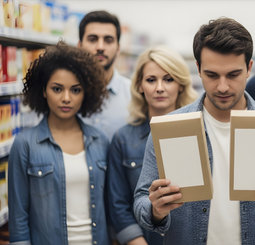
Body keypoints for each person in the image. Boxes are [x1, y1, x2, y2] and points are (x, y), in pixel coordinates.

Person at [133, 17, 255, 245]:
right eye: (212, 75)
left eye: (233, 75)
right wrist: (156, 210)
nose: (222, 87)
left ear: (249, 68)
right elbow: (140, 202)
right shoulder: (169, 128)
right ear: (197, 69)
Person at [8, 42, 110, 244]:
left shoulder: (100, 141)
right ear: (43, 91)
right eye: (57, 89)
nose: (66, 98)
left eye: (75, 90)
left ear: (86, 92)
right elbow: (18, 218)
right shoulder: (25, 145)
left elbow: (111, 207)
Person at [107, 45, 197, 245]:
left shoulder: (198, 133)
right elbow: (118, 204)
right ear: (139, 85)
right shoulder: (123, 139)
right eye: (151, 80)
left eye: (168, 79)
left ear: (181, 85)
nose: (159, 88)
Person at [78, 10, 131, 140]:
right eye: (92, 39)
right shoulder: (66, 94)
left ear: (118, 48)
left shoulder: (134, 95)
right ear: (79, 46)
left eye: (108, 40)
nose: (100, 47)